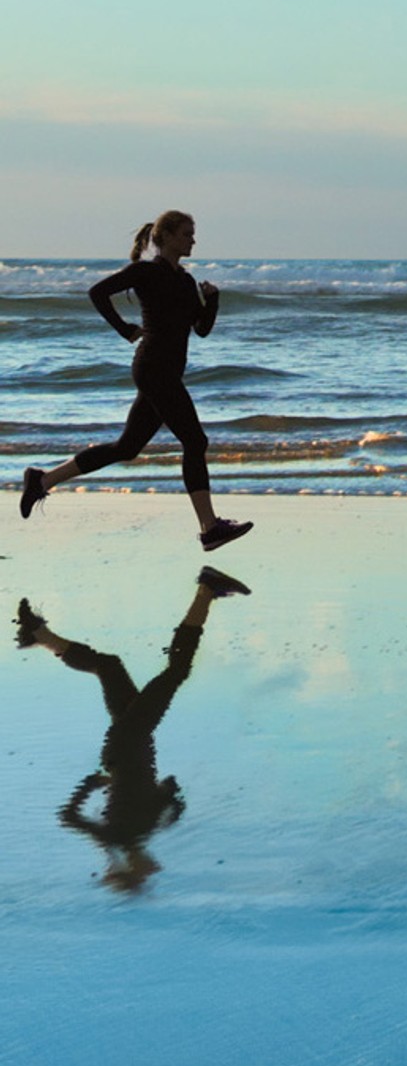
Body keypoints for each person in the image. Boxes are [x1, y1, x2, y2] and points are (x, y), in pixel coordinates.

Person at [17, 211, 252, 551]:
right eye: (187, 234)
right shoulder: (145, 272)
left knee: (127, 448)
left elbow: (200, 330)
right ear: (167, 236)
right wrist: (125, 329)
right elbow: (97, 292)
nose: (193, 240)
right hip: (153, 367)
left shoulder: (186, 281)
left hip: (167, 372)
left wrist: (211, 301)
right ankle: (210, 527)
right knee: (195, 441)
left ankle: (42, 479)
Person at [14, 568, 249, 894]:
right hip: (122, 749)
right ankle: (40, 636)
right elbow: (163, 788)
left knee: (177, 670)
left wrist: (97, 785)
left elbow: (71, 815)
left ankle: (207, 590)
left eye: (144, 875)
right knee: (109, 665)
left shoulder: (126, 837)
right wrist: (105, 786)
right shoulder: (123, 838)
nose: (154, 869)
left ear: (132, 868)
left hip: (132, 740)